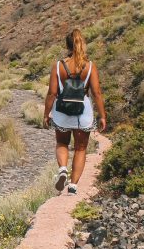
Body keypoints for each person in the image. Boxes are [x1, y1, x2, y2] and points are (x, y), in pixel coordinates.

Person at [42, 28, 106, 195]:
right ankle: (73, 186)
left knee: (62, 143)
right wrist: (102, 115)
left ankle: (63, 168)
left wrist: (46, 114)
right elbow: (97, 93)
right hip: (82, 112)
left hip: (62, 111)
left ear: (67, 45)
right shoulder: (90, 66)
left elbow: (52, 93)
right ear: (81, 44)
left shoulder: (58, 66)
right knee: (80, 148)